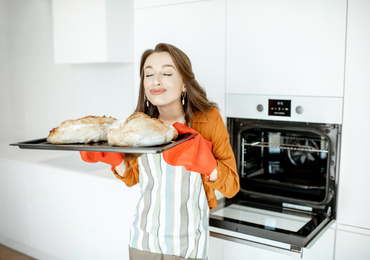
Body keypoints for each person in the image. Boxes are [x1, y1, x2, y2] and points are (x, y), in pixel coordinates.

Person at [80, 43, 239, 260]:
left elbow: (231, 187)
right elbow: (134, 177)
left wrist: (210, 166)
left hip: (188, 243)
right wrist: (115, 161)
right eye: (148, 74)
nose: (156, 80)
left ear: (184, 83)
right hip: (143, 240)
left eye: (166, 73)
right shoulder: (137, 125)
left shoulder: (207, 120)